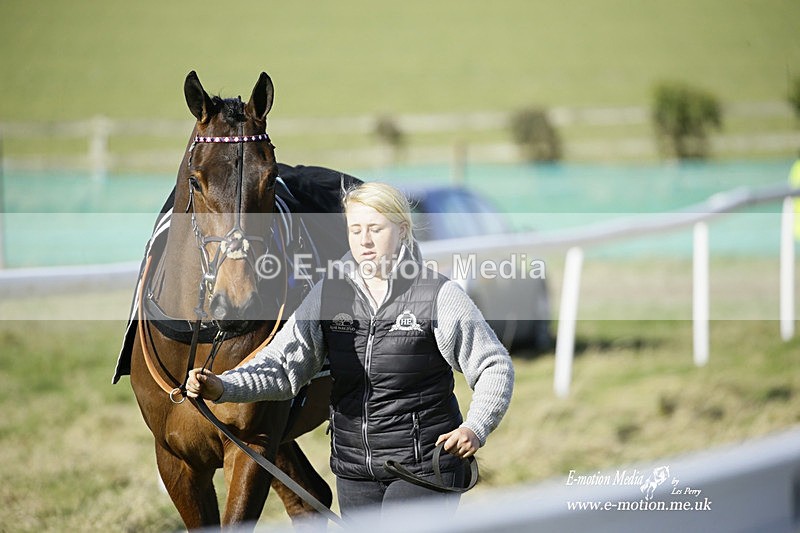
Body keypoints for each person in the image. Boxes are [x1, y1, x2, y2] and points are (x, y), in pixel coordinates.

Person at [186, 181, 514, 520]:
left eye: (375, 228)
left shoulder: (438, 295)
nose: (365, 240)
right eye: (355, 230)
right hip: (354, 471)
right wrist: (224, 386)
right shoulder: (329, 294)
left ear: (402, 230)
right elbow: (283, 365)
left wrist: (475, 427)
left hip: (426, 467)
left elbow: (494, 365)